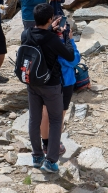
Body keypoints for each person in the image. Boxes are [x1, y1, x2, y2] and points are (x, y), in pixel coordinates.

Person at [22, 3, 75, 174]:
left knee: (34, 119)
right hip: (51, 85)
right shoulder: (52, 39)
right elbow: (69, 55)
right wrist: (67, 38)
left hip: (32, 82)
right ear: (50, 19)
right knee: (56, 120)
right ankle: (51, 161)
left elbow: (39, 39)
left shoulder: (26, 33)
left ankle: (37, 156)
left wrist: (50, 30)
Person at [40, 18, 80, 155]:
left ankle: (45, 143)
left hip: (46, 83)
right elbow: (73, 60)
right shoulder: (63, 44)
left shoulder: (46, 40)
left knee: (45, 114)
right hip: (65, 83)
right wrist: (71, 40)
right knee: (60, 116)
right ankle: (54, 144)